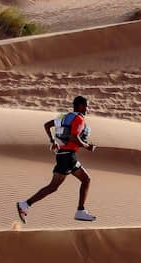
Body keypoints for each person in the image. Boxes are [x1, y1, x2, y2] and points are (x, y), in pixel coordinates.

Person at [17, 95, 97, 223]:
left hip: (64, 155)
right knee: (74, 182)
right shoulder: (79, 119)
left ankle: (25, 205)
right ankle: (80, 211)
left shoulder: (64, 116)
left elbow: (47, 125)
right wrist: (88, 146)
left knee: (80, 181)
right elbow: (73, 137)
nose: (88, 109)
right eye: (87, 106)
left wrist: (52, 140)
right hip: (67, 156)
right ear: (80, 106)